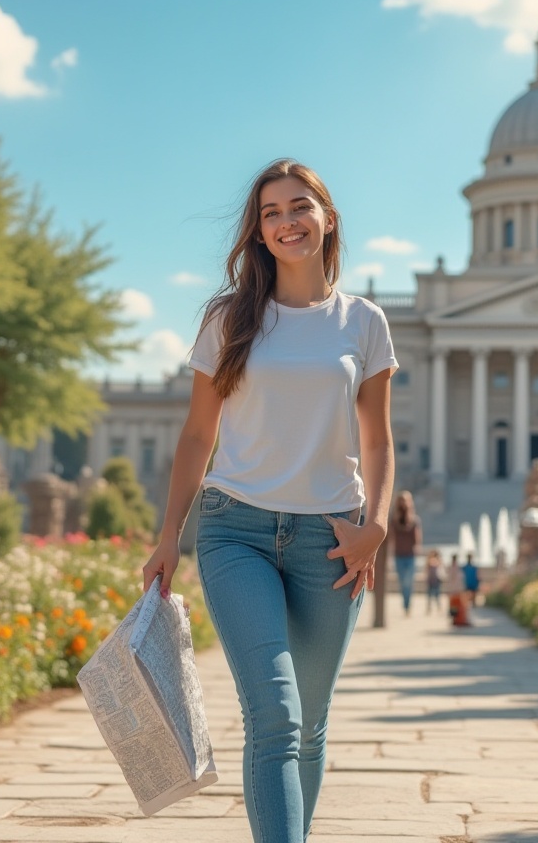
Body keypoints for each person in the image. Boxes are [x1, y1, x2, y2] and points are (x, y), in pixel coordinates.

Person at [142, 159, 398, 843]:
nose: (286, 222)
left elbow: (378, 441)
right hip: (236, 531)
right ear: (258, 233)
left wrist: (375, 526)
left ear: (328, 215)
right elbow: (199, 433)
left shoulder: (364, 322)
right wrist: (170, 534)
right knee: (275, 717)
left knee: (309, 727)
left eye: (298, 207)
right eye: (270, 213)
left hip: (331, 541)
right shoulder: (228, 318)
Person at [386, 491, 421, 615]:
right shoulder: (394, 520)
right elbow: (391, 537)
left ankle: (407, 604)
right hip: (399, 554)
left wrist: (417, 548)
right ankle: (406, 604)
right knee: (402, 581)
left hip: (410, 555)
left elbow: (417, 538)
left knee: (408, 581)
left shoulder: (414, 519)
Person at [445, 554, 470, 627]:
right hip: (456, 590)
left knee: (454, 606)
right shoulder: (456, 568)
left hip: (454, 590)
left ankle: (456, 619)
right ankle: (456, 619)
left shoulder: (453, 568)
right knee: (455, 606)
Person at [424, 547, 443, 614]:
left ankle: (438, 608)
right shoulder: (429, 562)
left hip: (436, 580)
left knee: (437, 596)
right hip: (431, 580)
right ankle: (429, 608)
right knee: (430, 596)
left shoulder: (438, 562)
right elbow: (426, 571)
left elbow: (440, 570)